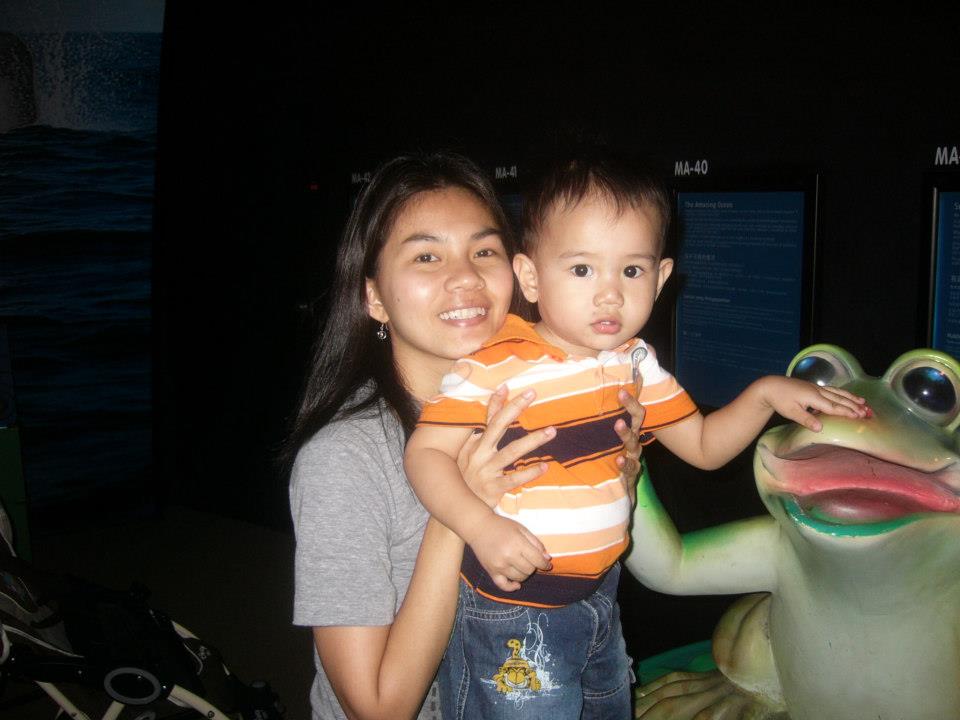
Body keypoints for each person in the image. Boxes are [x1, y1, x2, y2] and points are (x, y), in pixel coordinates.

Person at [403, 152, 868, 719]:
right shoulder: (496, 363)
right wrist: (480, 526)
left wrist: (764, 395)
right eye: (582, 270)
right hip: (515, 610)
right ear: (530, 276)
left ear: (661, 277)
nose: (610, 295)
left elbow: (703, 447)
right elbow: (426, 454)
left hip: (600, 596)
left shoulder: (637, 365)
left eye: (631, 271)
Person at [286, 151, 647, 720]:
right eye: (426, 256)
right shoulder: (345, 460)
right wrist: (461, 508)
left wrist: (620, 479)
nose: (465, 278)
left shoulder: (542, 395)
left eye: (484, 251)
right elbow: (377, 709)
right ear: (374, 297)